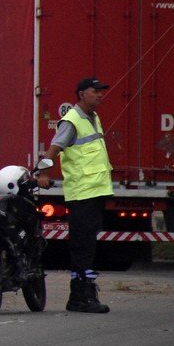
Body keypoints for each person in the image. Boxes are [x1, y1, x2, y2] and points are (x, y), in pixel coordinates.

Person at [47, 77, 113, 314]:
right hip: (82, 194)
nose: (100, 95)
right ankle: (81, 297)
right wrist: (43, 171)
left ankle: (80, 294)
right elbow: (55, 148)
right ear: (81, 94)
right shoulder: (72, 120)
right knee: (82, 246)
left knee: (87, 245)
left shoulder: (93, 118)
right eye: (95, 91)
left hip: (94, 192)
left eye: (101, 91)